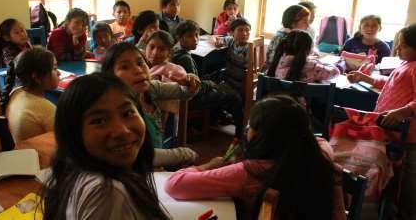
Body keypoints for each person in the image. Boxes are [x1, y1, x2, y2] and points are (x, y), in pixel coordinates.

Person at [164, 95, 345, 220]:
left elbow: (175, 185)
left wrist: (208, 166)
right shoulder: (322, 156)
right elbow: (318, 139)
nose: (247, 129)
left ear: (262, 135)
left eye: (251, 125)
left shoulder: (250, 172)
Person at [41, 73, 170, 219]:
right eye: (99, 121)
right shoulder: (108, 193)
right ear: (73, 133)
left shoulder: (72, 168)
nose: (121, 130)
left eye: (127, 113)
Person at [347, 24, 416, 219]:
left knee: (408, 179)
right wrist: (365, 78)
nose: (397, 49)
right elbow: (391, 83)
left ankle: (406, 212)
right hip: (390, 131)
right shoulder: (406, 64)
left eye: (403, 46)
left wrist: (405, 110)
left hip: (408, 135)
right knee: (393, 172)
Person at [101, 42, 199, 167]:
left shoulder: (151, 89)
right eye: (125, 67)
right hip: (134, 168)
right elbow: (141, 154)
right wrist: (183, 154)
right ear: (110, 77)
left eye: (140, 63)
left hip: (154, 164)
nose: (138, 70)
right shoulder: (116, 109)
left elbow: (184, 93)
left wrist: (189, 82)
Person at [172, 20, 244, 138]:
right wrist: (210, 83)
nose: (195, 39)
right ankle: (240, 135)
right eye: (190, 36)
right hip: (190, 100)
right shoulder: (185, 58)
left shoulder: (175, 49)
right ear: (180, 38)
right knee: (234, 95)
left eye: (196, 35)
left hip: (182, 93)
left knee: (217, 77)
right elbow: (196, 88)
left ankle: (217, 117)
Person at [2, 48, 59, 141]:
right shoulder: (46, 109)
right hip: (36, 154)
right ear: (36, 77)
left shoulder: (16, 92)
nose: (59, 73)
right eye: (55, 68)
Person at [267, 30, 339, 82]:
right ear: (307, 50)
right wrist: (322, 63)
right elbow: (335, 72)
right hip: (296, 102)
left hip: (274, 100)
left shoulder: (278, 60)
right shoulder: (311, 66)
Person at [263, 5, 310, 72]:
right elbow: (275, 62)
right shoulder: (282, 37)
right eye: (305, 22)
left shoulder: (291, 35)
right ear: (293, 23)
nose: (308, 25)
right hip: (273, 76)